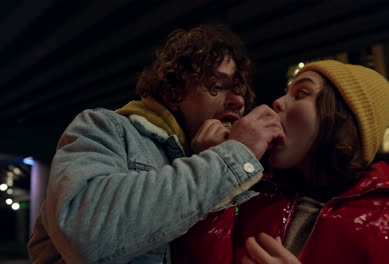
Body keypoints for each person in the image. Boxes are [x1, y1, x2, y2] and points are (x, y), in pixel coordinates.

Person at [27, 25, 284, 263]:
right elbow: (84, 235)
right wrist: (231, 156)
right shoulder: (104, 127)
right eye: (217, 85)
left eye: (240, 89)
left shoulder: (223, 163)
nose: (238, 101)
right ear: (173, 93)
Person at [171, 60, 389, 264]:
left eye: (302, 93)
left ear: (341, 117)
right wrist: (213, 174)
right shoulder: (253, 198)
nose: (276, 102)